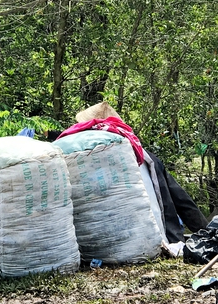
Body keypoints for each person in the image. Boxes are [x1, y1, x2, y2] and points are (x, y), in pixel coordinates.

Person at [70, 101, 208, 244]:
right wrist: (206, 232)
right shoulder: (144, 155)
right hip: (159, 235)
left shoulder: (89, 160)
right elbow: (181, 200)